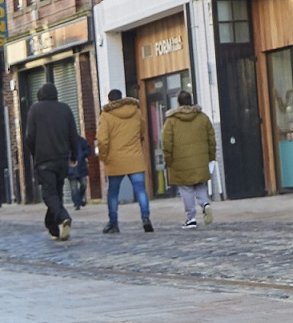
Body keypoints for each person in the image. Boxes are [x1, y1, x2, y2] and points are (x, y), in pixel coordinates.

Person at [24, 83, 81, 241]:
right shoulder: (65, 109)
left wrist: (35, 152)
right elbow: (73, 135)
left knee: (49, 194)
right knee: (57, 192)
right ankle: (52, 227)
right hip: (62, 159)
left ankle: (63, 218)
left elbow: (29, 136)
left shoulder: (35, 110)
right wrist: (74, 156)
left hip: (44, 160)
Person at [96, 89, 151, 233]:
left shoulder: (107, 116)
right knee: (140, 190)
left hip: (115, 160)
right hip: (135, 157)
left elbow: (102, 140)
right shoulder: (136, 111)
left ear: (109, 101)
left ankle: (113, 223)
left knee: (113, 192)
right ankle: (146, 218)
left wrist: (103, 156)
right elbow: (142, 130)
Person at [161, 89, 217, 227]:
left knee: (186, 189)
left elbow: (166, 143)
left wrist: (168, 161)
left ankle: (191, 218)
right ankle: (205, 204)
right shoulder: (203, 118)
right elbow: (212, 140)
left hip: (180, 163)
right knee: (200, 185)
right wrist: (210, 157)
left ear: (178, 102)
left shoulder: (171, 121)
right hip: (200, 161)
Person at [68, 133, 91, 210]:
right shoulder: (65, 142)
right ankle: (77, 203)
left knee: (84, 184)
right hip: (71, 168)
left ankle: (80, 199)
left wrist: (83, 155)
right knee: (74, 188)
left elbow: (88, 149)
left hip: (81, 167)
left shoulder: (80, 140)